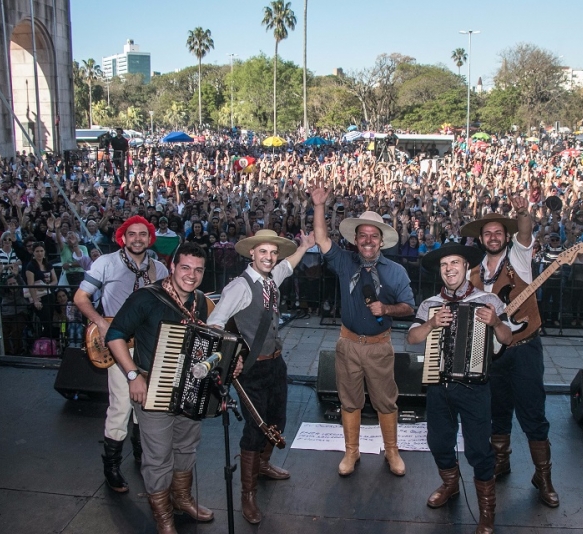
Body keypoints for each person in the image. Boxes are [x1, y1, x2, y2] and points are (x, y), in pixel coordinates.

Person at [105, 243, 215, 534]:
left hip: (189, 390)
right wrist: (132, 376)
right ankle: (163, 516)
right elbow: (115, 336)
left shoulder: (200, 301)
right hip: (152, 387)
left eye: (198, 269)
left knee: (186, 448)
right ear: (173, 266)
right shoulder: (146, 297)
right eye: (185, 267)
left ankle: (182, 499)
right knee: (157, 457)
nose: (191, 275)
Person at [207, 229, 315, 524]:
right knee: (256, 430)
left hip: (275, 364)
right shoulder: (239, 287)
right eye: (263, 252)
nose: (269, 257)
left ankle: (264, 465)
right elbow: (214, 324)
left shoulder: (271, 277)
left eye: (272, 252)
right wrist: (234, 356)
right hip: (251, 370)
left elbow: (288, 265)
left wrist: (305, 246)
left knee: (277, 419)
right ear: (251, 254)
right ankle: (248, 495)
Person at [310, 182, 415, 477]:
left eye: (373, 236)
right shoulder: (344, 262)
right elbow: (320, 237)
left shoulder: (396, 271)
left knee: (385, 401)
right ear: (355, 240)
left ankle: (392, 452)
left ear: (381, 241)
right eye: (363, 235)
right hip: (348, 345)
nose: (368, 240)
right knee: (349, 400)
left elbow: (409, 307)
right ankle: (351, 453)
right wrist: (319, 206)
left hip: (380, 346)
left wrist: (387, 309)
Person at [407, 243, 512, 534]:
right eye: (444, 265)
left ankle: (487, 511)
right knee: (439, 442)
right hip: (439, 386)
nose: (449, 269)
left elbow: (507, 338)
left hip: (475, 388)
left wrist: (495, 322)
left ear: (467, 267)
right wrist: (430, 324)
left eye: (455, 263)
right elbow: (412, 338)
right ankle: (451, 485)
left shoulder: (488, 299)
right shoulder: (430, 303)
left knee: (479, 450)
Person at [462, 197, 560, 509]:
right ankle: (501, 462)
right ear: (480, 239)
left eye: (498, 232)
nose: (493, 237)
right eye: (487, 233)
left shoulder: (518, 257)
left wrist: (522, 212)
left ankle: (543, 476)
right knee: (497, 412)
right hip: (493, 353)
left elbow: (527, 229)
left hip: (525, 349)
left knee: (533, 413)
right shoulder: (472, 275)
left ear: (506, 236)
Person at [74, 215, 168, 493]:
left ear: (150, 238)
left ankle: (141, 455)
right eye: (132, 234)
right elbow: (81, 298)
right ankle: (112, 466)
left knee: (146, 403)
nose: (138, 239)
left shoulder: (160, 268)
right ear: (123, 238)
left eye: (143, 234)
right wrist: (101, 323)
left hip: (149, 345)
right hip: (118, 344)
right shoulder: (105, 263)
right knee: (121, 406)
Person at [24, 242, 58, 338]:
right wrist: (35, 300)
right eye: (37, 251)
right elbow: (30, 284)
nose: (39, 253)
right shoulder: (30, 266)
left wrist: (47, 286)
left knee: (51, 320)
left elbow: (55, 280)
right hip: (38, 296)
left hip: (48, 294)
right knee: (45, 320)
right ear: (33, 253)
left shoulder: (48, 264)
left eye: (41, 251)